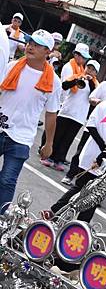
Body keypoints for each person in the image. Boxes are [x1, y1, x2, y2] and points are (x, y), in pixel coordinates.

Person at [42, 96, 106, 222]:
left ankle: (55, 213)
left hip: (90, 152)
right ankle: (76, 224)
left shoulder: (105, 103)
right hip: (105, 160)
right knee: (93, 195)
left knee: (80, 188)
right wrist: (102, 156)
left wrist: (100, 148)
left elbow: (91, 125)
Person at [0, 30, 61, 207]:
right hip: (1, 127)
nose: (30, 46)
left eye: (37, 44)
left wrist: (49, 143)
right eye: (30, 42)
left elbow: (51, 114)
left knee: (7, 180)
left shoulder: (54, 82)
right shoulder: (12, 66)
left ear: (47, 51)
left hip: (21, 138)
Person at [62, 61, 106, 185]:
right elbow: (92, 97)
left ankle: (87, 183)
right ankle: (71, 174)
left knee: (102, 156)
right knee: (82, 150)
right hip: (95, 125)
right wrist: (98, 103)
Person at [41, 59, 100, 171]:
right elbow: (64, 85)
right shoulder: (77, 75)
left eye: (93, 70)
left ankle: (59, 159)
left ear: (96, 73)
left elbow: (94, 95)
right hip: (66, 111)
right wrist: (78, 79)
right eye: (89, 68)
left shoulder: (96, 84)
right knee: (57, 135)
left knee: (68, 139)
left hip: (79, 117)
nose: (89, 71)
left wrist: (90, 81)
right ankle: (49, 157)